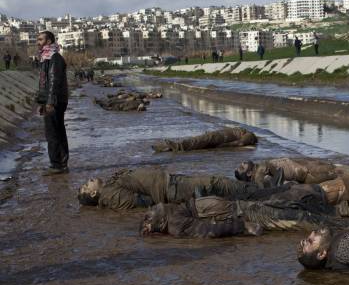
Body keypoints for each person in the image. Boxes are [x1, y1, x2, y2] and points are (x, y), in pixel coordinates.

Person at [77, 167, 332, 211]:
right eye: (86, 184)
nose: (90, 180)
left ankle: (281, 191)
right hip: (178, 189)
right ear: (92, 193)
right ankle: (288, 192)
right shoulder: (109, 194)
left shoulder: (110, 185)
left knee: (231, 188)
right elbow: (140, 204)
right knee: (227, 187)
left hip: (177, 185)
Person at [141, 194, 342, 238]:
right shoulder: (175, 222)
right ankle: (343, 229)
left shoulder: (174, 212)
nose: (153, 209)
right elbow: (208, 230)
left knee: (295, 210)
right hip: (246, 212)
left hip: (244, 207)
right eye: (148, 216)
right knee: (298, 218)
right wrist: (242, 227)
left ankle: (340, 222)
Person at [235, 157, 349, 188]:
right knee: (345, 172)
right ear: (248, 174)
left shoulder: (258, 168)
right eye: (241, 168)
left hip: (303, 166)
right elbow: (272, 184)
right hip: (307, 172)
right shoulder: (259, 175)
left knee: (341, 167)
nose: (242, 163)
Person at [35, 31, 69, 175]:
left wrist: (49, 102)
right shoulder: (46, 58)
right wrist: (42, 102)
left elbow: (54, 83)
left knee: (53, 132)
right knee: (57, 130)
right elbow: (44, 84)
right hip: (52, 100)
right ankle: (60, 163)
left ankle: (57, 165)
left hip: (55, 101)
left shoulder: (54, 58)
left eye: (40, 39)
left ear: (49, 41)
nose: (38, 42)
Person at [151, 127, 258, 152]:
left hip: (222, 137)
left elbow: (239, 143)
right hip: (221, 136)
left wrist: (223, 146)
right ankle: (167, 148)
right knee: (199, 142)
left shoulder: (250, 135)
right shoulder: (247, 133)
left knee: (200, 140)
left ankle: (179, 146)